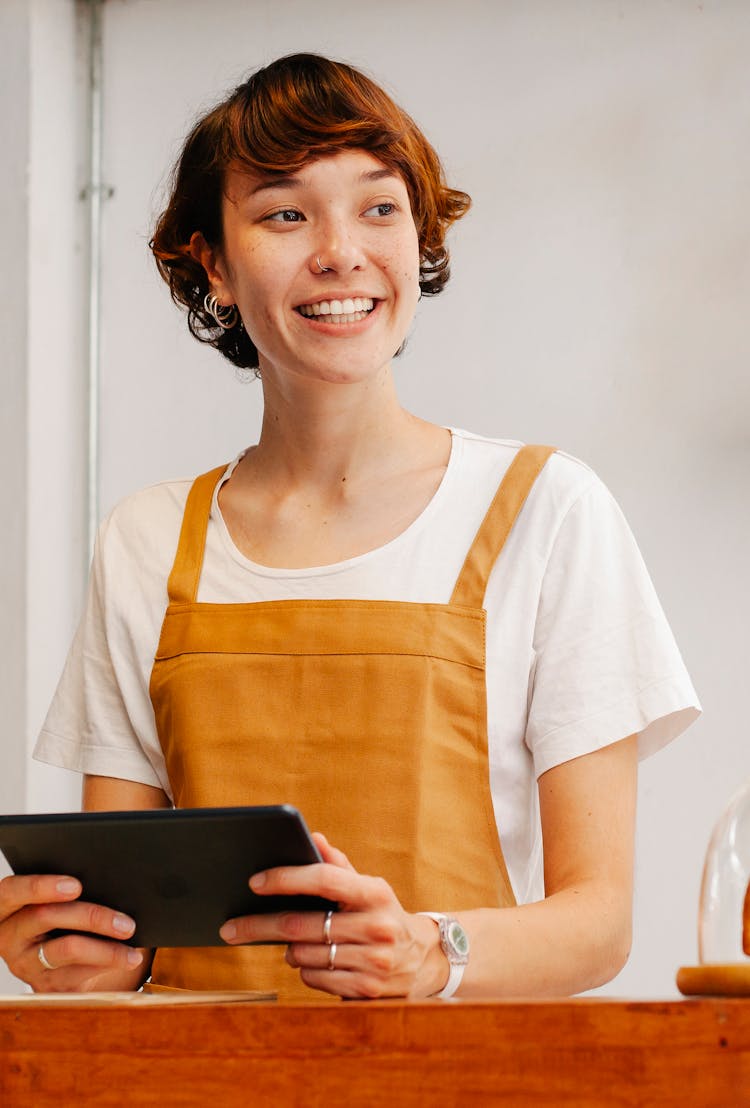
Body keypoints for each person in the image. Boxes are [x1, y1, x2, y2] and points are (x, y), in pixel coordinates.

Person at [0, 53, 699, 1000]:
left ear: (419, 241)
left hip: (457, 1092)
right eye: (285, 213)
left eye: (378, 208)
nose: (340, 250)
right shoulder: (147, 539)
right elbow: (125, 925)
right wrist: (82, 953)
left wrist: (431, 952)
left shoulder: (548, 511)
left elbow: (599, 922)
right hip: (194, 1092)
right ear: (211, 261)